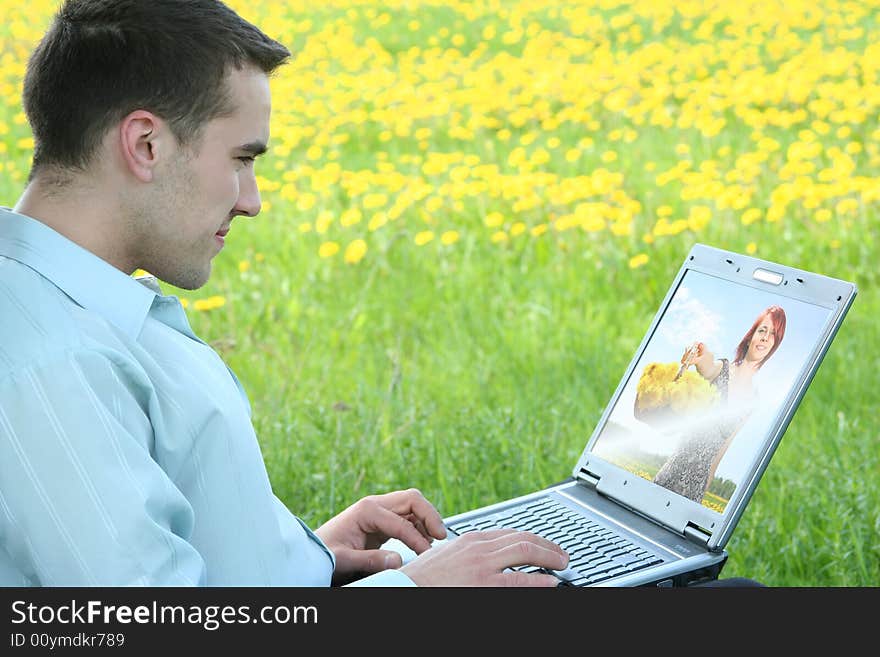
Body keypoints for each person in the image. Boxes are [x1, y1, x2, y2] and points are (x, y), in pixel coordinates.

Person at [0, 0, 569, 587]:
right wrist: (413, 591)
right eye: (242, 158)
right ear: (146, 144)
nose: (251, 200)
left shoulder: (76, 305)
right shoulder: (48, 360)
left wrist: (293, 558)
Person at [652, 305, 787, 504]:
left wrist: (703, 494)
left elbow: (723, 448)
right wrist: (698, 356)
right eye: (762, 330)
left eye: (773, 334)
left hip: (696, 489)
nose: (766, 337)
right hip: (673, 471)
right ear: (751, 337)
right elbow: (707, 366)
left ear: (774, 345)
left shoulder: (752, 401)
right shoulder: (721, 369)